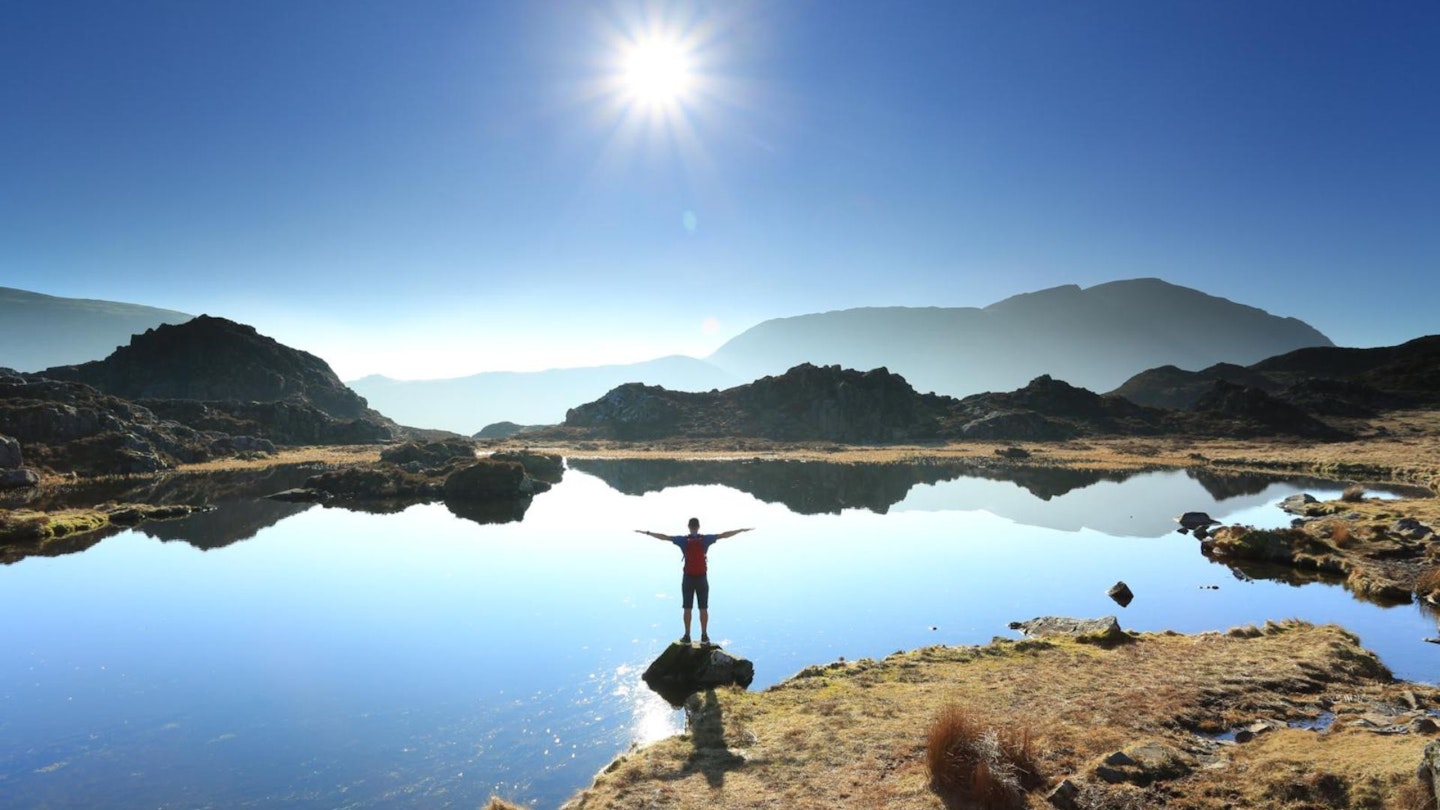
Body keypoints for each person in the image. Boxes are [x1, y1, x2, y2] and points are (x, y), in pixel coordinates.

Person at [635, 518, 753, 645]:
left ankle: (687, 636)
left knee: (687, 608)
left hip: (688, 578)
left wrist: (647, 533)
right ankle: (704, 636)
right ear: (699, 526)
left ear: (688, 527)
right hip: (702, 578)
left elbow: (665, 537)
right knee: (703, 608)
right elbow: (724, 535)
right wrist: (741, 530)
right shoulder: (705, 539)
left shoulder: (683, 540)